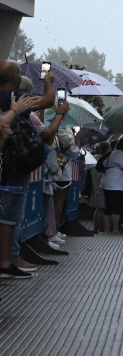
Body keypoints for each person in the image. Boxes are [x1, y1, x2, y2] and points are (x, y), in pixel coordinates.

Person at [0, 60, 54, 279]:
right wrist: (48, 82)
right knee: (10, 217)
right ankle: (5, 261)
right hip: (14, 166)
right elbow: (49, 101)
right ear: (15, 80)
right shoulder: (17, 100)